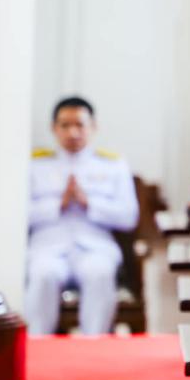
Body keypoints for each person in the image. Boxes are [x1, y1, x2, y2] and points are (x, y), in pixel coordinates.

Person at [25, 97, 139, 335]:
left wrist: (90, 204)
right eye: (65, 125)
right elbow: (17, 216)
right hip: (47, 247)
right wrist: (58, 204)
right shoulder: (34, 164)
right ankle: (37, 344)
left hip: (95, 247)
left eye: (79, 124)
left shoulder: (112, 164)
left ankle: (93, 344)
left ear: (93, 126)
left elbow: (129, 217)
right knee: (43, 274)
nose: (73, 132)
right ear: (54, 128)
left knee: (99, 273)